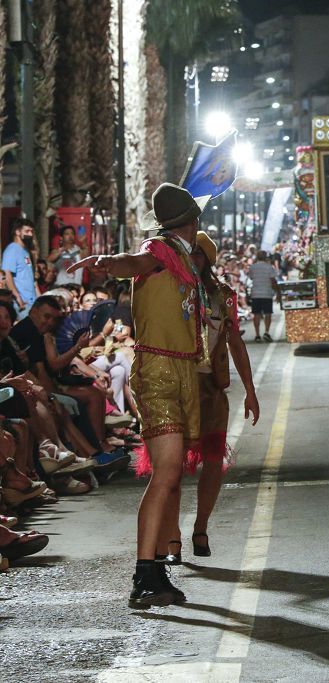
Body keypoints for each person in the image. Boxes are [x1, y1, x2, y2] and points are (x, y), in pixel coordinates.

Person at [68, 183, 207, 609]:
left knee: (172, 473)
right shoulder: (161, 248)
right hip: (161, 370)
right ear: (193, 219)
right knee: (165, 473)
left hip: (181, 367)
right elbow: (136, 261)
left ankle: (156, 564)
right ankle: (145, 573)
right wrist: (109, 262)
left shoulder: (184, 255)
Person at [140, 232, 259, 562]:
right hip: (177, 387)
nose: (192, 260)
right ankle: (173, 536)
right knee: (171, 467)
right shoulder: (169, 289)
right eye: (188, 254)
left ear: (209, 260)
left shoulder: (223, 296)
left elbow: (235, 342)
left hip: (211, 390)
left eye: (199, 255)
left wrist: (250, 390)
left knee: (212, 463)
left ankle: (201, 527)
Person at [3, 218, 41, 316]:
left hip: (31, 302)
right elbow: (7, 275)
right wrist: (17, 296)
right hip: (21, 303)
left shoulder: (25, 251)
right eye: (27, 231)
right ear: (17, 232)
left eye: (31, 231)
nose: (30, 234)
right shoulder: (12, 249)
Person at [248, 250, 280, 342]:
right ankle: (266, 332)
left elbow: (251, 277)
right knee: (268, 314)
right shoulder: (269, 267)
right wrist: (278, 292)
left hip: (255, 294)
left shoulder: (253, 267)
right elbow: (273, 281)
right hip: (266, 293)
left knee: (256, 314)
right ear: (266, 257)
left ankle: (257, 335)